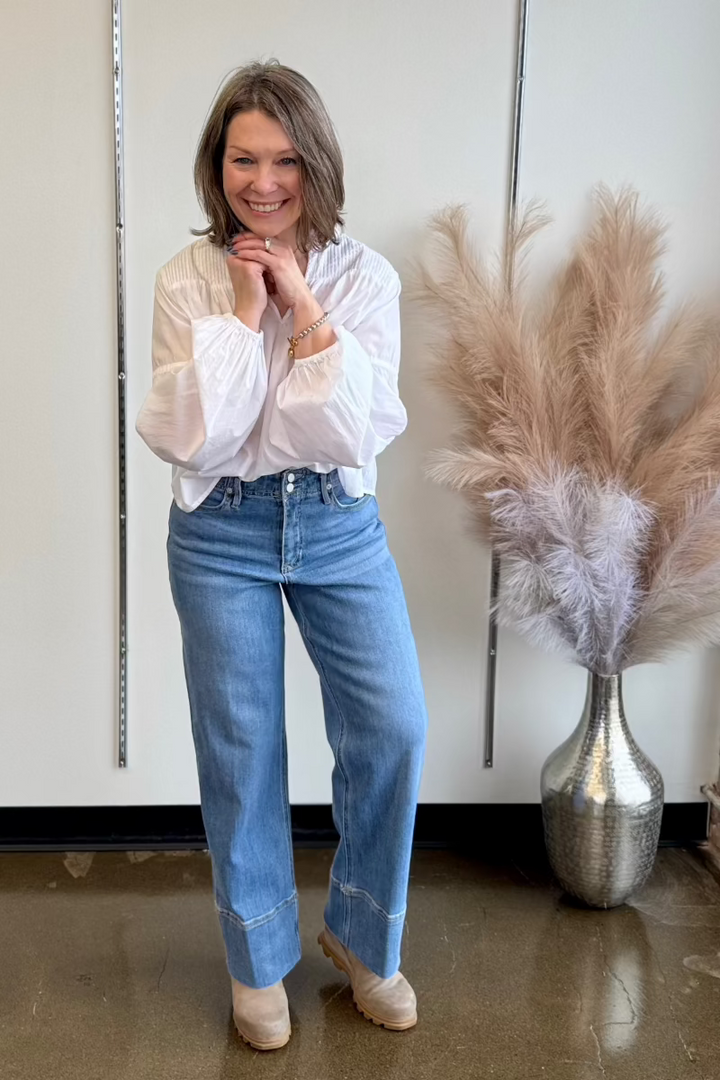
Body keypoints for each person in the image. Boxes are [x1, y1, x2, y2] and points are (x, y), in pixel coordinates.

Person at [135, 59, 429, 1052]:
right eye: (243, 160)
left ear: (317, 163)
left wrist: (303, 301)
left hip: (337, 523)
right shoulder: (185, 281)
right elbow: (195, 441)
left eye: (286, 160)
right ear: (216, 168)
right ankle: (256, 960)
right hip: (220, 530)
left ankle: (361, 937)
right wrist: (245, 315)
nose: (264, 182)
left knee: (392, 726)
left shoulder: (365, 278)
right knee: (243, 751)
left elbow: (351, 434)